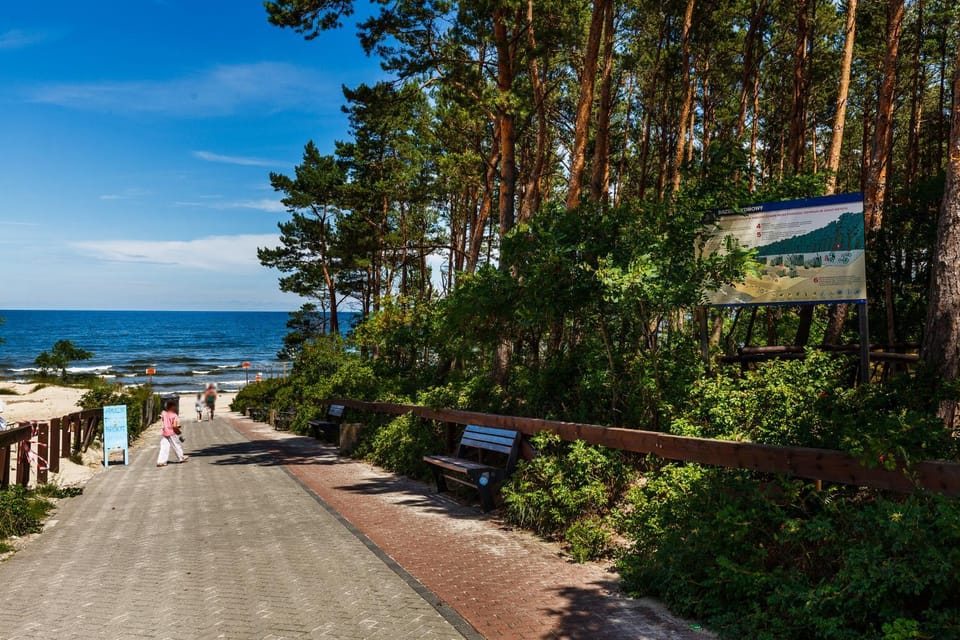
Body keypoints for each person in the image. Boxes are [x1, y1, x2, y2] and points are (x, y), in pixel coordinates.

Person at [157, 400, 188, 467]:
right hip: (172, 433)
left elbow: (163, 417)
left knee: (164, 447)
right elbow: (174, 426)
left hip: (165, 432)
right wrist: (178, 431)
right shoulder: (174, 415)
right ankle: (181, 457)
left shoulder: (164, 414)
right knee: (176, 445)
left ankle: (161, 461)